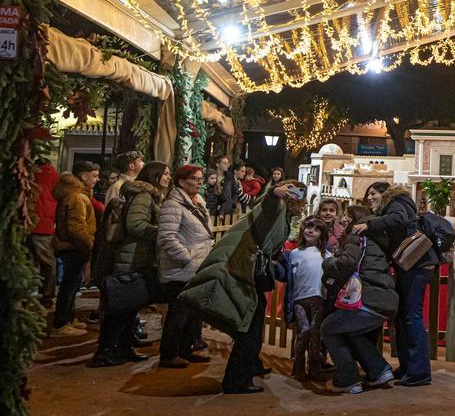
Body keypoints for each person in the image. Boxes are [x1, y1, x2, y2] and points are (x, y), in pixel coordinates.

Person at [178, 180, 299, 393]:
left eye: (299, 192)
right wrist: (274, 192)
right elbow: (268, 206)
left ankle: (251, 365)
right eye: (291, 189)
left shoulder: (285, 213)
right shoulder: (276, 205)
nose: (296, 195)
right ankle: (236, 380)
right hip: (239, 265)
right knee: (249, 326)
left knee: (256, 317)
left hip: (245, 266)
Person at [354, 181, 434, 387]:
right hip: (408, 266)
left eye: (373, 193)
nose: (370, 197)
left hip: (416, 265)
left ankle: (419, 372)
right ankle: (408, 367)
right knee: (402, 317)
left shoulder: (397, 202)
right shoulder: (390, 208)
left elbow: (400, 219)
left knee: (411, 316)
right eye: (367, 195)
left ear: (384, 193)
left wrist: (369, 225)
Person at [322, 205, 398, 393]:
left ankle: (348, 379)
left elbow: (347, 263)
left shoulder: (356, 237)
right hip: (385, 300)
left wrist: (327, 262)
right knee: (352, 332)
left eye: (349, 216)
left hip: (367, 299)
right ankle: (379, 370)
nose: (344, 219)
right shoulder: (378, 239)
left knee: (329, 328)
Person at [90, 178, 162, 367]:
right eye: (165, 173)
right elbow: (135, 224)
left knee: (128, 308)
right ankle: (105, 352)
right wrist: (162, 231)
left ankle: (122, 348)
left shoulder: (144, 195)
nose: (168, 176)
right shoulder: (144, 196)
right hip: (131, 257)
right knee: (120, 308)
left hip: (135, 256)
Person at [157, 164, 214, 368]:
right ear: (182, 182)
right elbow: (166, 237)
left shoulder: (197, 202)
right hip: (180, 270)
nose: (200, 182)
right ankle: (169, 353)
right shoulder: (173, 205)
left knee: (191, 314)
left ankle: (185, 349)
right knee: (178, 314)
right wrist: (187, 258)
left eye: (201, 178)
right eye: (195, 179)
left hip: (195, 268)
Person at [49, 161, 100, 337]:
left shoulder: (75, 194)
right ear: (84, 176)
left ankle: (68, 318)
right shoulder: (77, 197)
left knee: (72, 284)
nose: (97, 179)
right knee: (69, 285)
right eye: (94, 176)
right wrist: (89, 245)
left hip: (71, 246)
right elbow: (76, 228)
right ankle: (61, 323)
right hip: (73, 247)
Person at [280, 216, 330, 379]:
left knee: (315, 333)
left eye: (316, 229)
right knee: (304, 331)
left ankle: (314, 366)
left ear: (321, 235)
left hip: (318, 298)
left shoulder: (327, 256)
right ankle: (298, 365)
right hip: (299, 299)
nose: (311, 230)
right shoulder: (294, 254)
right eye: (309, 227)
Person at [29, 158, 60, 305]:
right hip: (45, 227)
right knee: (48, 263)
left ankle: (24, 295)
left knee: (29, 261)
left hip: (27, 224)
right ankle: (47, 296)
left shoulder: (29, 175)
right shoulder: (55, 177)